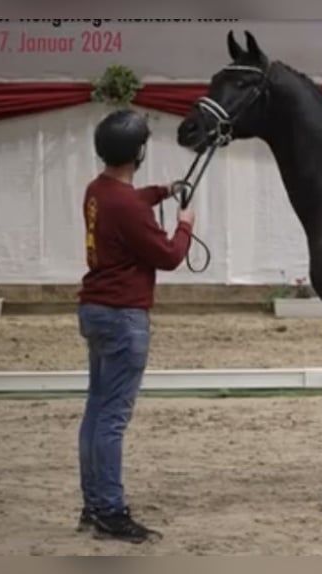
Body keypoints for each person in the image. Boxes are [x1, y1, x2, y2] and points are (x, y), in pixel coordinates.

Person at [75, 108, 195, 544]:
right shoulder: (125, 205)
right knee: (112, 419)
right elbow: (168, 256)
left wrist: (163, 191)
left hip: (95, 309)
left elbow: (128, 201)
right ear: (140, 151)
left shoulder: (97, 190)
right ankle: (110, 509)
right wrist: (184, 226)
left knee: (96, 411)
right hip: (125, 315)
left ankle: (93, 504)